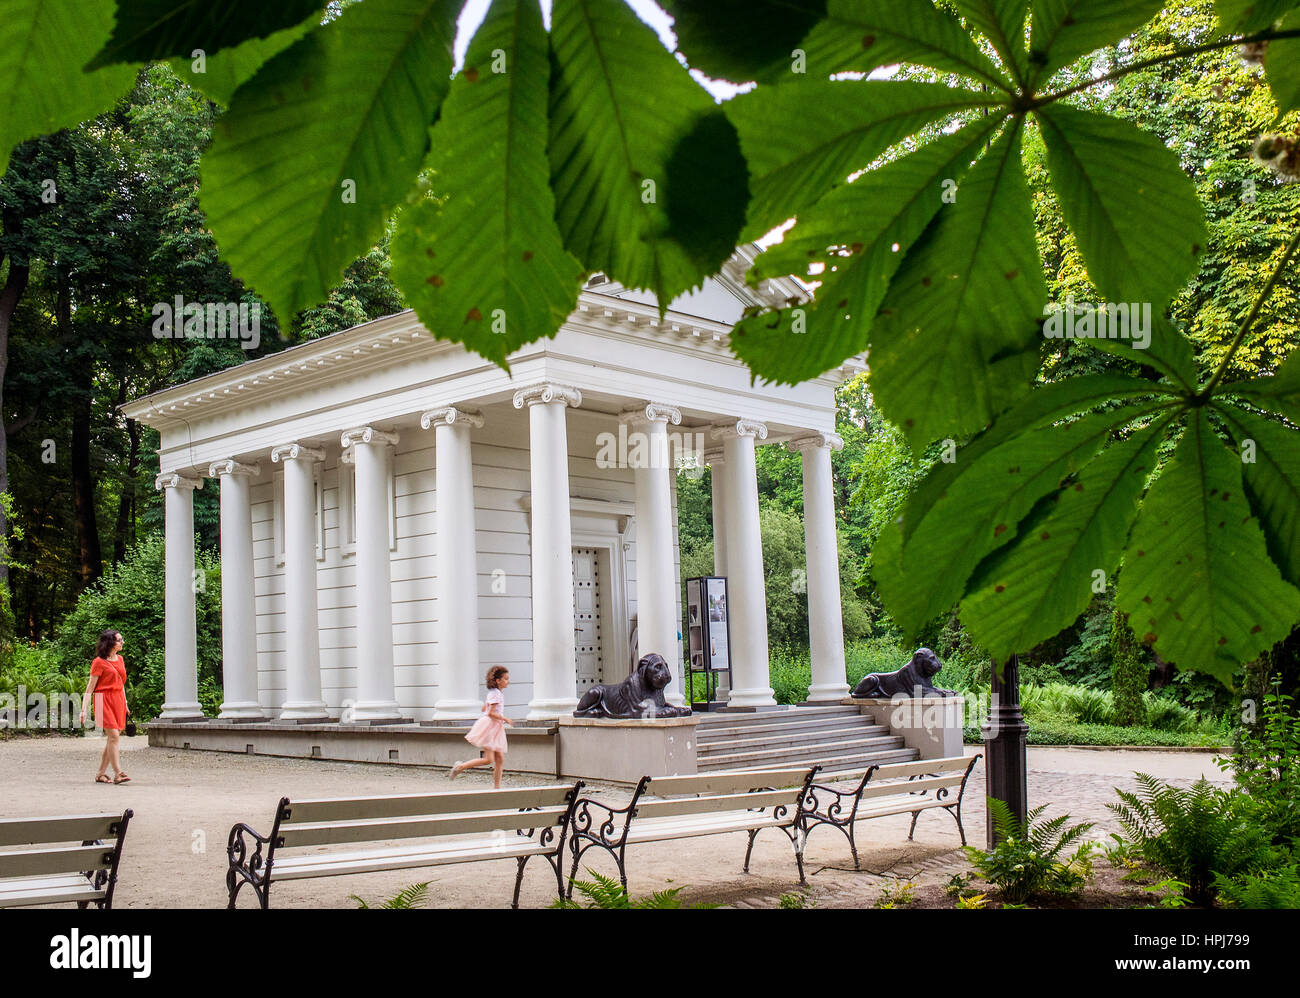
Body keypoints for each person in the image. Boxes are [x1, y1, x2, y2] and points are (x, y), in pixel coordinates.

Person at [79, 629, 131, 785]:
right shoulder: (98, 662)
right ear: (110, 643)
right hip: (103, 700)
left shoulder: (120, 660)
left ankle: (101, 774)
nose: (122, 642)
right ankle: (118, 773)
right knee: (114, 737)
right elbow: (90, 687)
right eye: (119, 640)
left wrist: (126, 703)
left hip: (118, 700)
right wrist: (83, 709)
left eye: (122, 639)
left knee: (112, 739)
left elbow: (121, 684)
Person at [450, 666, 512, 788]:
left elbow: (484, 708)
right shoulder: (496, 694)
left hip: (494, 727)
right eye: (505, 679)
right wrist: (505, 719)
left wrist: (490, 708)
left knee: (499, 759)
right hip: (490, 727)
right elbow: (490, 713)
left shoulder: (494, 693)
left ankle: (497, 788)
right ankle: (460, 767)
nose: (508, 681)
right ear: (498, 680)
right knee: (489, 760)